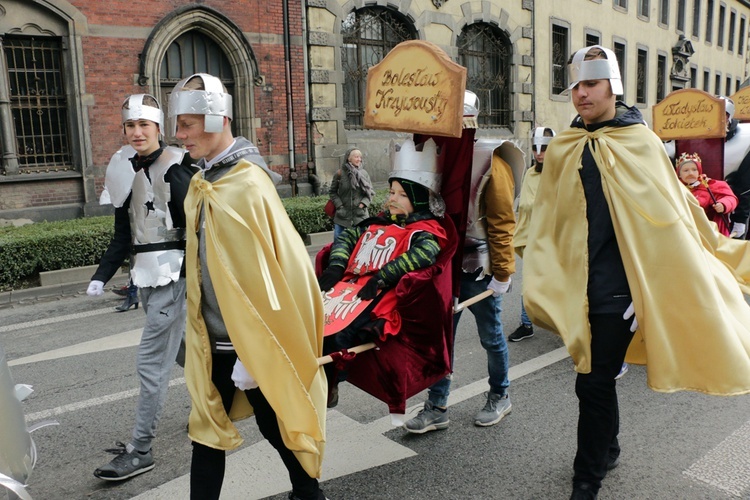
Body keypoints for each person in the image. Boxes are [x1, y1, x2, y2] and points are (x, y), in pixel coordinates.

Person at [523, 45, 750, 500]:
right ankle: (608, 445)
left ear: (613, 87)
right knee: (597, 379)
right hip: (578, 283)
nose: (581, 94)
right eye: (576, 86)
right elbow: (552, 214)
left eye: (591, 84)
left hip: (620, 286)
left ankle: (586, 477)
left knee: (592, 380)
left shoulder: (640, 141)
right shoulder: (566, 146)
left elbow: (673, 211)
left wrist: (705, 250)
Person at [171, 73, 327, 500]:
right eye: (178, 125)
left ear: (217, 118)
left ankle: (309, 493)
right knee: (205, 433)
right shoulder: (206, 182)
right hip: (214, 341)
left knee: (274, 424)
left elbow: (275, 276)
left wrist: (257, 352)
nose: (178, 135)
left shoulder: (247, 184)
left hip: (250, 344)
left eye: (187, 125)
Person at [87, 94, 195, 481]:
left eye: (143, 126)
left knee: (151, 363)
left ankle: (141, 449)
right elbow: (123, 234)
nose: (136, 133)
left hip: (176, 276)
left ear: (158, 128)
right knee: (183, 354)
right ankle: (216, 403)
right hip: (145, 277)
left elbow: (201, 228)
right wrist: (102, 274)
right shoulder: (120, 166)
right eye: (130, 126)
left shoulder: (179, 167)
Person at [404, 94, 516, 433]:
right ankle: (437, 406)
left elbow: (501, 221)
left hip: (476, 266)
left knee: (491, 337)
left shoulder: (491, 160)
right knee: (441, 339)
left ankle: (500, 394)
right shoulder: (434, 154)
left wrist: (503, 272)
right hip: (442, 264)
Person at [317, 139, 449, 407]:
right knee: (311, 323)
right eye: (390, 192)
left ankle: (329, 382)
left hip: (376, 292)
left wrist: (382, 277)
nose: (391, 199)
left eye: (401, 194)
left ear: (418, 198)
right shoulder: (378, 221)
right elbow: (346, 238)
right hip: (347, 284)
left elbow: (424, 254)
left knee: (338, 336)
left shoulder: (426, 230)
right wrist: (336, 265)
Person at [508, 126, 554, 342]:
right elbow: (525, 206)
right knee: (529, 282)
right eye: (536, 148)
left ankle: (568, 324)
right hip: (531, 239)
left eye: (544, 148)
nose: (538, 153)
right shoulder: (530, 174)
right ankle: (527, 324)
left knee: (560, 284)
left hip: (555, 241)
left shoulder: (561, 175)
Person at [675, 152, 738, 236]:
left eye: (694, 169)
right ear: (679, 174)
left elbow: (730, 198)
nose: (690, 173)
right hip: (683, 230)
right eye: (686, 170)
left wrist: (723, 204)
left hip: (706, 231)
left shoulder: (709, 185)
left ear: (699, 171)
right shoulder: (674, 188)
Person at [329, 148, 375, 240]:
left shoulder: (364, 174)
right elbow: (332, 192)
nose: (359, 159)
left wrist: (363, 204)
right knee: (339, 246)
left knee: (360, 246)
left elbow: (370, 193)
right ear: (349, 158)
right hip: (342, 218)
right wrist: (340, 206)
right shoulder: (339, 173)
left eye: (360, 157)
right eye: (356, 157)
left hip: (360, 217)